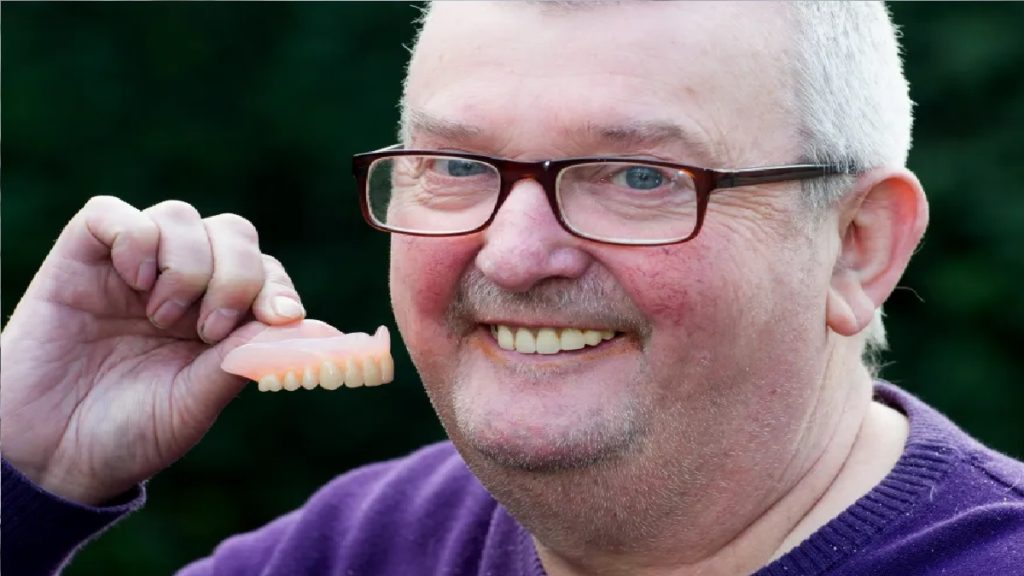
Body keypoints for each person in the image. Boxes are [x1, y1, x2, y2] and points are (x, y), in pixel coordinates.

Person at [2, 2, 1022, 575]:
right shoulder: (366, 549)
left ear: (856, 248)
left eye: (638, 177)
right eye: (456, 166)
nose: (515, 255)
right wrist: (26, 469)